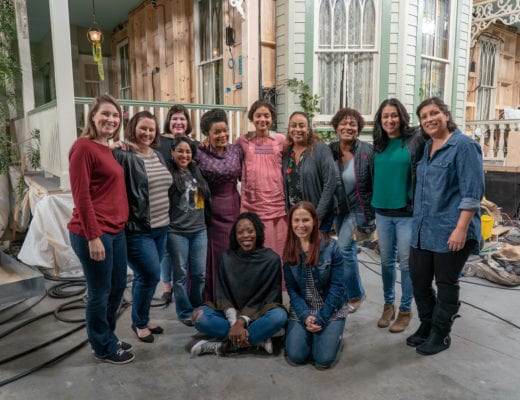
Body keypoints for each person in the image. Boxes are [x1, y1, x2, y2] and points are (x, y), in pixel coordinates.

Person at [408, 97, 484, 355]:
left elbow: (472, 192)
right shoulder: (426, 146)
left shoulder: (464, 146)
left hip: (450, 230)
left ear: (446, 114)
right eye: (424, 116)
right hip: (422, 230)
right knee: (418, 280)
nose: (429, 119)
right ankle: (427, 325)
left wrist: (461, 228)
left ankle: (441, 334)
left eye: (434, 113)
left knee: (446, 283)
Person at [68, 95, 134, 364]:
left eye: (115, 116)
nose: (110, 119)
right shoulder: (82, 148)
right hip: (94, 233)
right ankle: (102, 346)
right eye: (105, 114)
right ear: (93, 117)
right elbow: (81, 197)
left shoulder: (106, 147)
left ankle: (106, 335)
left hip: (115, 232)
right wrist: (93, 236)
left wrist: (116, 145)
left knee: (117, 288)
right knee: (99, 292)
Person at [190, 212, 288, 356]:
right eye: (240, 232)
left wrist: (241, 322)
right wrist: (234, 324)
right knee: (199, 318)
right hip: (230, 315)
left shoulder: (271, 259)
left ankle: (221, 346)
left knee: (279, 317)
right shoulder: (226, 258)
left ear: (258, 233)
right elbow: (222, 295)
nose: (246, 236)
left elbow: (270, 299)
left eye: (250, 231)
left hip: (258, 314)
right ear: (235, 236)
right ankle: (257, 338)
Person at [113, 111, 172, 343]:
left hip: (161, 227)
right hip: (138, 229)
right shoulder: (123, 154)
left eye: (151, 129)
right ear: (132, 128)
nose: (147, 133)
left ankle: (143, 318)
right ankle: (138, 322)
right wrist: (112, 146)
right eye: (143, 128)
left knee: (145, 277)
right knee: (149, 274)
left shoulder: (157, 155)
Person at [371, 98, 426, 333]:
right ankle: (388, 305)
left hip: (406, 213)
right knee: (385, 262)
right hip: (382, 213)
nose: (390, 120)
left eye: (394, 115)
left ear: (401, 116)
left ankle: (405, 310)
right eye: (385, 116)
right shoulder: (377, 144)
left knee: (405, 263)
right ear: (380, 120)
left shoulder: (415, 140)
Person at [283, 201, 346, 369]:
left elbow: (338, 288)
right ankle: (310, 332)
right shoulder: (289, 249)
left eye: (305, 220)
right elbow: (292, 289)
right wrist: (304, 316)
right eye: (296, 220)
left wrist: (321, 317)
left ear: (314, 221)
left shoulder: (331, 247)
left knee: (323, 359)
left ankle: (331, 333)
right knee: (296, 356)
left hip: (329, 308)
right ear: (291, 223)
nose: (300, 225)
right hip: (303, 307)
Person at [329, 108, 374, 313]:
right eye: (344, 124)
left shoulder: (366, 151)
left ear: (358, 129)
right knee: (348, 252)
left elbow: (375, 183)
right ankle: (349, 291)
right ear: (336, 127)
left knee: (344, 249)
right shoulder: (330, 150)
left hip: (359, 208)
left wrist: (374, 214)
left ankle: (356, 294)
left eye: (353, 124)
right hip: (339, 209)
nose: (348, 127)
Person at [196, 108, 243, 302]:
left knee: (235, 253)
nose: (222, 135)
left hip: (234, 204)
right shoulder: (198, 151)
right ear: (207, 134)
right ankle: (213, 300)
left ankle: (235, 297)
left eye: (225, 130)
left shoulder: (236, 150)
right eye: (216, 132)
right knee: (214, 256)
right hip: (211, 208)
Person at [166, 137, 211, 326]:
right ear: (172, 153)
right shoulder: (168, 172)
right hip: (177, 231)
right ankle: (184, 311)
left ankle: (196, 306)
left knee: (199, 273)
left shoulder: (196, 171)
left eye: (188, 152)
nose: (184, 155)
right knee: (180, 275)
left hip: (199, 229)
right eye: (180, 151)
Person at [236, 100, 287, 257]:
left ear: (272, 118)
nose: (262, 119)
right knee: (255, 247)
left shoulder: (281, 140)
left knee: (278, 247)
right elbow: (231, 160)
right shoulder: (242, 141)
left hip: (277, 204)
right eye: (258, 115)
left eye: (266, 115)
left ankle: (279, 281)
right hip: (252, 203)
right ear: (252, 118)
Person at [156, 104, 196, 302]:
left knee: (184, 250)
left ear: (187, 122)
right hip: (163, 201)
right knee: (166, 249)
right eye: (175, 118)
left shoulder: (193, 143)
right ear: (169, 121)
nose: (179, 122)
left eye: (182, 119)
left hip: (186, 202)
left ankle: (184, 285)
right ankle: (166, 286)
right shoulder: (159, 141)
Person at [282, 111, 336, 232]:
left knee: (317, 249)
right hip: (296, 217)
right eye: (293, 125)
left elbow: (330, 184)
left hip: (318, 215)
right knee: (301, 250)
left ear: (308, 129)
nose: (297, 129)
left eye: (302, 125)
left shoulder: (320, 149)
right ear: (289, 128)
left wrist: (319, 216)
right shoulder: (286, 153)